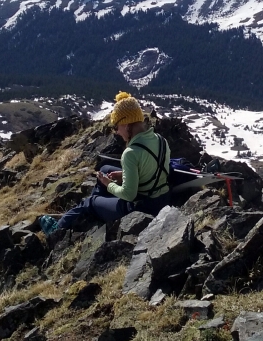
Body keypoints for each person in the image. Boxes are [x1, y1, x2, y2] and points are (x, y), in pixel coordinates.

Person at [39, 92, 172, 235]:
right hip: (162, 198)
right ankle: (99, 205)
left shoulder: (130, 153)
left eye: (117, 126)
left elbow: (129, 195)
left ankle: (57, 231)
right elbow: (153, 167)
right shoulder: (160, 140)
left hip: (143, 206)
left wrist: (109, 184)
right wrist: (123, 175)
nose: (116, 131)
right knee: (105, 168)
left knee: (90, 201)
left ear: (127, 125)